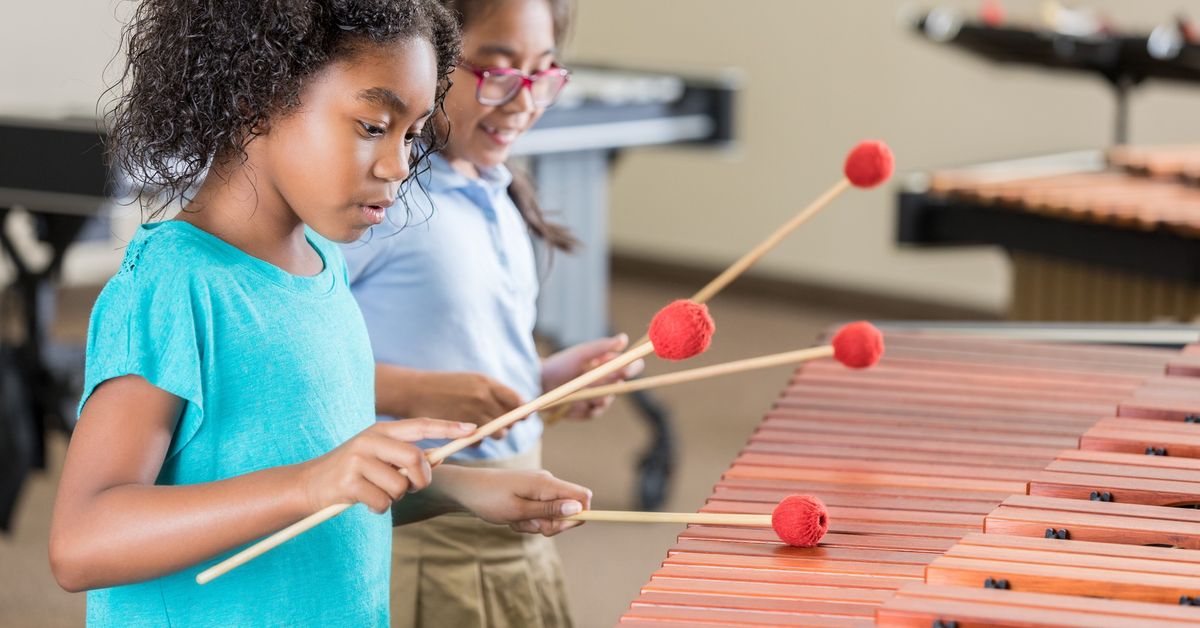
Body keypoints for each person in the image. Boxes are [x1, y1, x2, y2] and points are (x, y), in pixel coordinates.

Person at [48, 1, 590, 625]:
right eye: (371, 126)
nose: (397, 166)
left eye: (412, 135)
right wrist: (311, 483)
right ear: (256, 98)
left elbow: (333, 480)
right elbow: (80, 541)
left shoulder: (323, 265)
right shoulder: (173, 285)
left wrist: (461, 488)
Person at [342, 1, 636, 625]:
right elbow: (286, 366)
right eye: (498, 71)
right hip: (420, 545)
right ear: (429, 58)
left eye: (544, 74)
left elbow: (458, 343)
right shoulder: (380, 202)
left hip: (512, 536)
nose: (525, 100)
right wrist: (414, 390)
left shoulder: (493, 191)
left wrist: (546, 383)